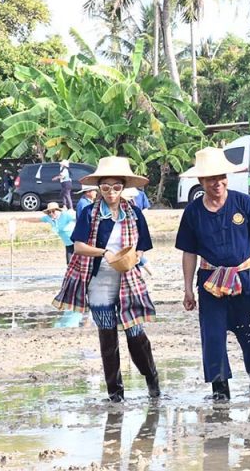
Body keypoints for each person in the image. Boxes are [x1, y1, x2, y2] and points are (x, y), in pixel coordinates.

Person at [53, 156, 159, 403]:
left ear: (123, 187)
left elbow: (142, 246)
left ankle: (152, 380)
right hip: (99, 282)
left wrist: (133, 257)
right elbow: (78, 246)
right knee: (107, 337)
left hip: (128, 280)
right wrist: (105, 253)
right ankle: (115, 393)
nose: (111, 192)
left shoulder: (134, 214)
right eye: (106, 187)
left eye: (116, 187)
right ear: (99, 188)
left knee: (136, 334)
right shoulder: (89, 213)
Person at [176, 147, 250, 401]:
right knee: (213, 336)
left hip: (245, 280)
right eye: (211, 179)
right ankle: (220, 391)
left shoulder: (244, 203)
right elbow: (189, 253)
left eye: (221, 177)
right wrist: (187, 289)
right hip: (210, 283)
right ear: (201, 181)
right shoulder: (193, 212)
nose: (217, 183)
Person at [121, 188, 154, 276]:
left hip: (131, 251)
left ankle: (149, 270)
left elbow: (143, 238)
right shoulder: (92, 212)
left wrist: (139, 253)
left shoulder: (135, 211)